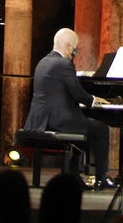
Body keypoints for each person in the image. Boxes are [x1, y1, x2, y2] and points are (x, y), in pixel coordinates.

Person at [24, 27, 114, 190]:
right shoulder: (64, 64)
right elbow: (78, 94)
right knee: (100, 129)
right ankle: (101, 178)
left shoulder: (43, 62)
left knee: (84, 127)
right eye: (75, 48)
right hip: (59, 121)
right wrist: (96, 101)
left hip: (40, 121)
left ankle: (75, 174)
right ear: (68, 47)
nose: (75, 52)